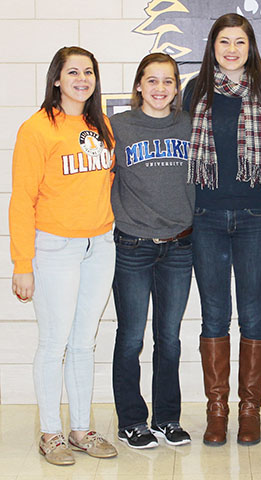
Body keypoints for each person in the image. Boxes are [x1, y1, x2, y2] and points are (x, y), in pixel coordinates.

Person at [9, 46, 118, 466]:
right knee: (54, 342)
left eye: (88, 72)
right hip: (54, 248)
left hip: (99, 245)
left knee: (82, 343)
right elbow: (21, 201)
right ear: (56, 78)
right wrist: (22, 263)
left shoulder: (101, 125)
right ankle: (50, 432)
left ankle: (81, 428)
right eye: (72, 72)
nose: (81, 79)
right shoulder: (37, 128)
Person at [183, 13, 261, 446]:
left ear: (251, 46)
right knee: (214, 314)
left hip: (257, 217)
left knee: (255, 313)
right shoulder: (196, 90)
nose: (232, 50)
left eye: (240, 42)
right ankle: (217, 409)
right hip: (206, 216)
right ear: (213, 46)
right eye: (224, 41)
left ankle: (250, 408)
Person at [111, 53, 194, 450]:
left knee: (170, 337)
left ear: (177, 88)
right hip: (132, 245)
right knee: (130, 337)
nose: (160, 89)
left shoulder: (190, 125)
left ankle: (167, 419)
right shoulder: (118, 127)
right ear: (139, 85)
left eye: (168, 81)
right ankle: (131, 420)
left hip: (179, 245)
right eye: (152, 81)